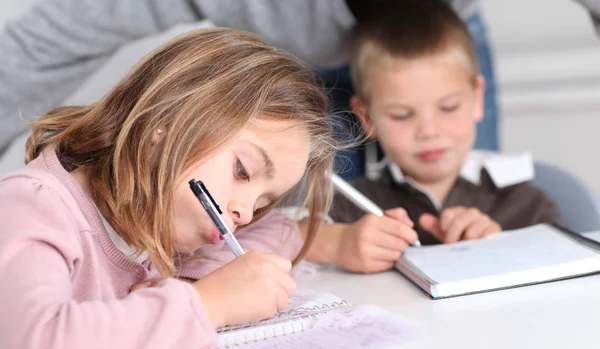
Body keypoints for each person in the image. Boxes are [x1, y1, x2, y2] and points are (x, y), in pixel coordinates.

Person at [0, 28, 337, 349]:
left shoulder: (156, 223)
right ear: (168, 119)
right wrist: (208, 304)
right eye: (242, 171)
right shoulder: (30, 205)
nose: (243, 213)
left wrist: (194, 280)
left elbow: (275, 229)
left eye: (261, 202)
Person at [0, 0, 504, 181]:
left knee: (465, 206)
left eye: (452, 107)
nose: (428, 127)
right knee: (320, 222)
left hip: (442, 47)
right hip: (298, 69)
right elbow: (42, 46)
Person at [303, 0, 566, 274]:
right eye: (402, 115)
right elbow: (283, 250)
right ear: (367, 118)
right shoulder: (347, 209)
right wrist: (338, 244)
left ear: (477, 99)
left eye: (448, 108)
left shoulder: (528, 205)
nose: (429, 131)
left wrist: (503, 249)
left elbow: (573, 286)